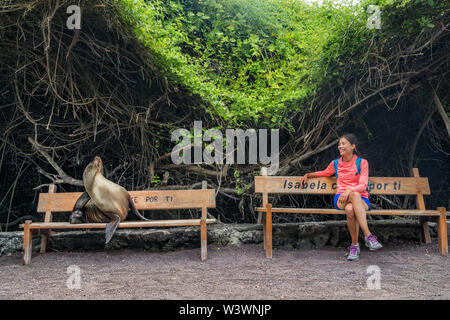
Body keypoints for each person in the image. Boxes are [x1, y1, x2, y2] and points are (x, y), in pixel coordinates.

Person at [299, 133, 382, 261]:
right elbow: (325, 173)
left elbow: (364, 185)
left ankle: (354, 246)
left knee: (350, 209)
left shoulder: (362, 162)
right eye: (339, 144)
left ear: (352, 146)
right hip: (341, 199)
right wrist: (308, 175)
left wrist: (349, 190)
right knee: (352, 198)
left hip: (361, 199)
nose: (340, 146)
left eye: (343, 144)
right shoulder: (336, 163)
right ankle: (368, 236)